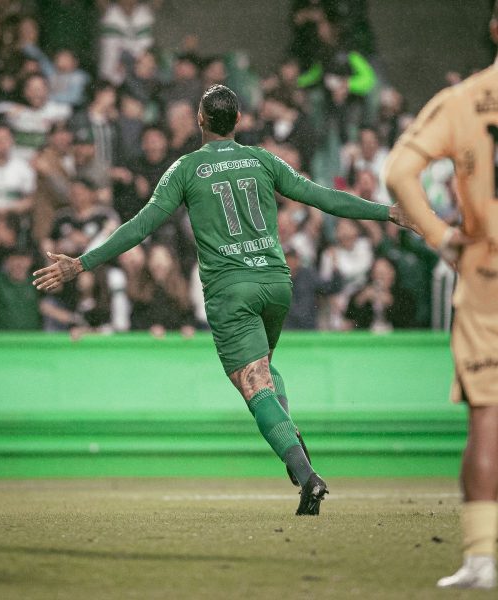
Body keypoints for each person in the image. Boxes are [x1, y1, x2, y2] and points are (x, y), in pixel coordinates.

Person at [33, 84, 413, 516]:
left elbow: (139, 228)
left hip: (232, 290)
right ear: (238, 122)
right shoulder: (262, 159)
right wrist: (388, 212)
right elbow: (322, 197)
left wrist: (81, 263)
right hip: (276, 282)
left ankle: (306, 475)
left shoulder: (185, 169)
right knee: (263, 372)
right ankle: (294, 446)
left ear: (200, 120)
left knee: (252, 382)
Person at [384, 4, 498, 589]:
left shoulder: (465, 100)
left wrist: (443, 238)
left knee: (488, 416)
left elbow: (400, 170)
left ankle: (482, 560)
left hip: (487, 270)